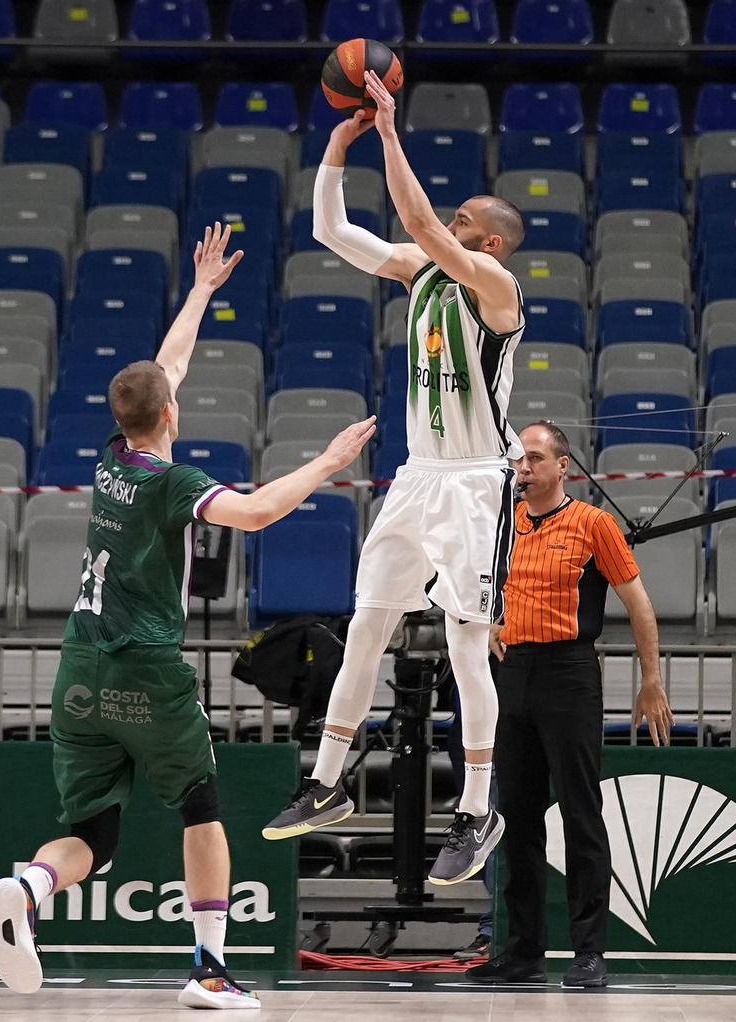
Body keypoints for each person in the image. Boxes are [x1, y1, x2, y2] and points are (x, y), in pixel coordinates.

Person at [0, 225, 375, 1010]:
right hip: (146, 669)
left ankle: (28, 888)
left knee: (93, 839)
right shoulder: (171, 481)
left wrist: (199, 291)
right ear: (171, 412)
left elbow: (164, 369)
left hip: (79, 671)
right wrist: (330, 463)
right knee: (202, 810)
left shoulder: (110, 457)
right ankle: (207, 970)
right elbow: (260, 511)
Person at [261, 71, 528, 886]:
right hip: (417, 478)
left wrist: (387, 129)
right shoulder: (422, 271)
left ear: (488, 243)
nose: (447, 223)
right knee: (366, 627)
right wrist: (338, 151)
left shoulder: (498, 288)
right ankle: (325, 783)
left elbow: (415, 218)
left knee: (466, 645)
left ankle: (479, 807)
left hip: (479, 484)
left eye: (464, 222)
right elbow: (333, 230)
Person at [468, 422, 674, 989]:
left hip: (569, 674)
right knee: (518, 817)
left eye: (535, 458)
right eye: (519, 459)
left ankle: (588, 953)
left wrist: (650, 679)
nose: (523, 467)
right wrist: (487, 622)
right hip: (512, 674)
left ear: (563, 467)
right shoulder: (499, 525)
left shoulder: (593, 523)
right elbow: (475, 586)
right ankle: (523, 950)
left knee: (581, 815)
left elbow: (639, 603)